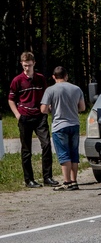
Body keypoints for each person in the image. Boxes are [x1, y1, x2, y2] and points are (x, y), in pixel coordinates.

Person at [7, 51, 55, 188]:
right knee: (26, 150)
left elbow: (47, 96)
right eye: (24, 65)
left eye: (29, 65)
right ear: (22, 64)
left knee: (46, 144)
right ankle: (29, 180)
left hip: (40, 116)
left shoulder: (40, 79)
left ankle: (48, 177)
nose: (27, 68)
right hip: (25, 117)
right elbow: (11, 100)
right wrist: (17, 115)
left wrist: (47, 108)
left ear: (34, 63)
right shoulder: (17, 80)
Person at [41, 66, 86, 190]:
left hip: (59, 126)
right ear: (66, 76)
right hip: (74, 124)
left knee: (64, 154)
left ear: (54, 77)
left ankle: (66, 182)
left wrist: (52, 108)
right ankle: (74, 181)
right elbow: (82, 108)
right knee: (74, 153)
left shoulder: (50, 90)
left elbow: (43, 109)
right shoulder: (76, 89)